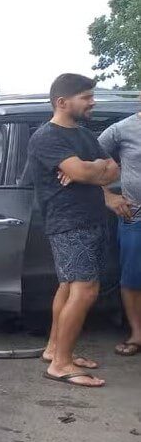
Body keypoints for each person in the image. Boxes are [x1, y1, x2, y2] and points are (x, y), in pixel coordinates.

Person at [26, 73, 120, 388]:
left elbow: (112, 171)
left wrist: (86, 170)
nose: (92, 102)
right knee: (85, 289)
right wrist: (88, 168)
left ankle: (55, 350)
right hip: (69, 223)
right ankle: (61, 365)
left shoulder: (83, 134)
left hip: (90, 219)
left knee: (68, 286)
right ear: (62, 102)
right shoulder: (47, 137)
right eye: (86, 97)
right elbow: (85, 170)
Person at [98, 103, 141, 356]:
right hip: (136, 216)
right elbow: (87, 161)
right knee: (133, 278)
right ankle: (137, 334)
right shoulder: (120, 130)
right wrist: (108, 196)